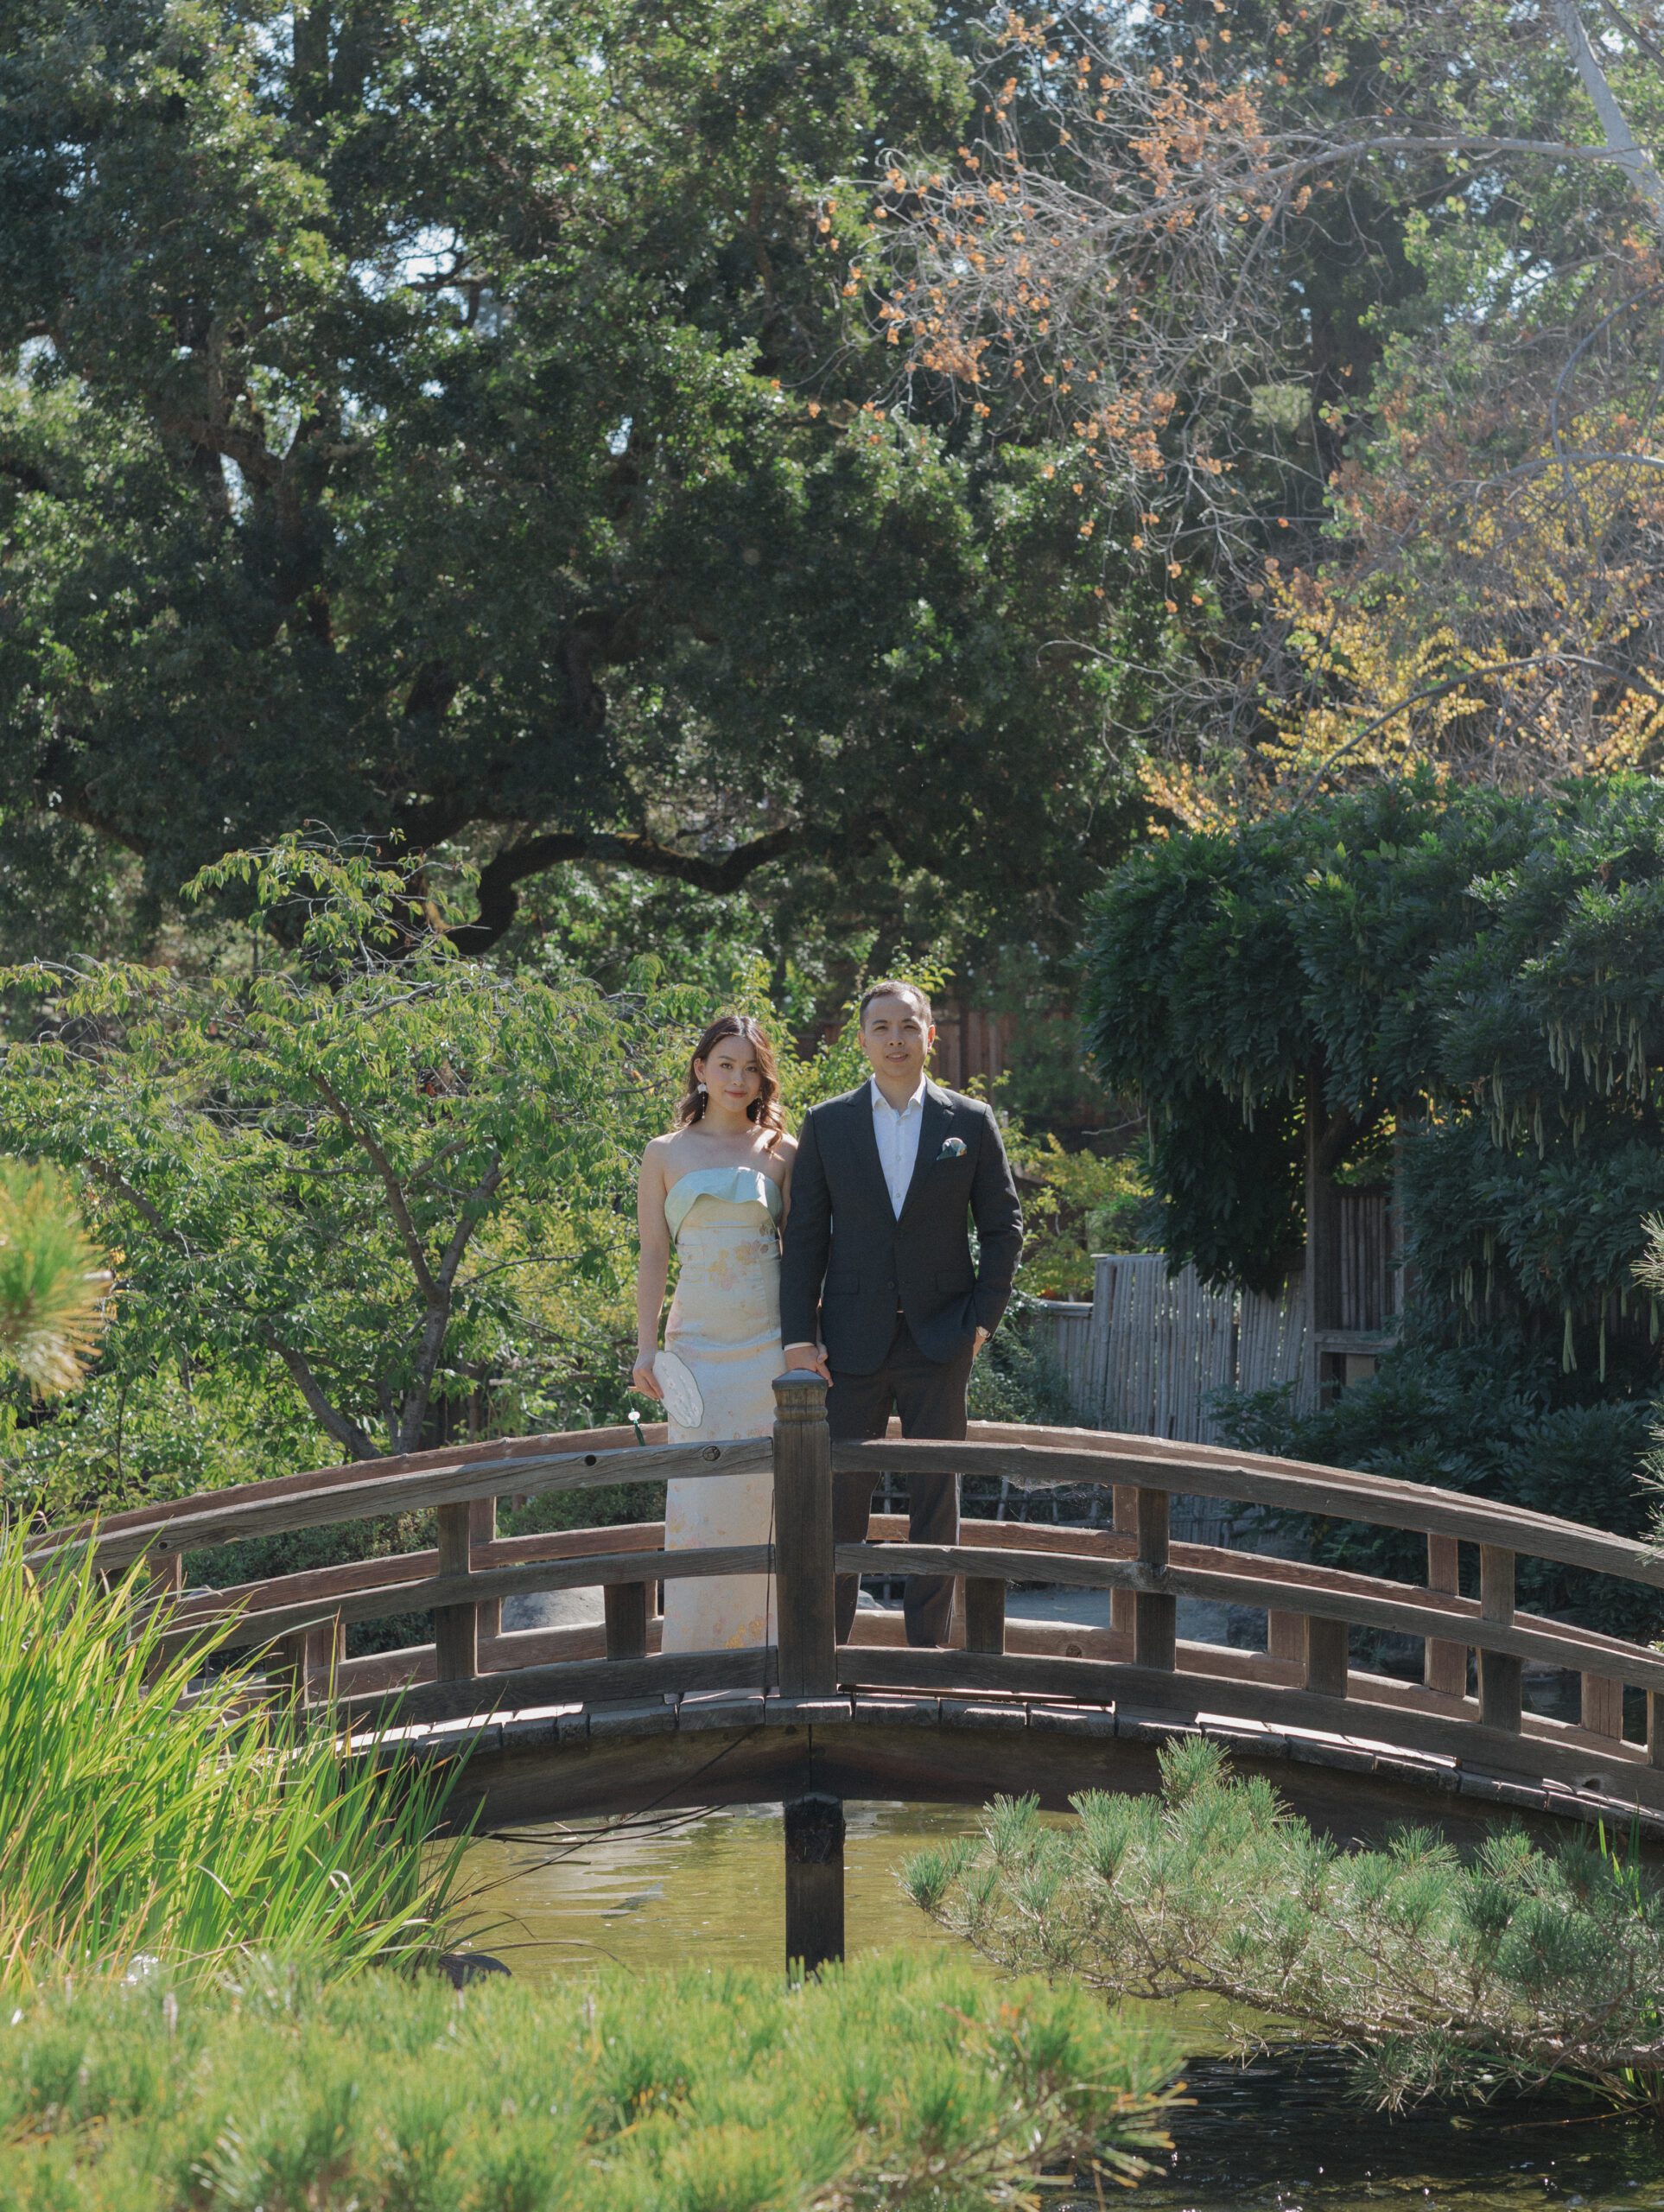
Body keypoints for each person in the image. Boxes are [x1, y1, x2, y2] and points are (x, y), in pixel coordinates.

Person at [778, 981, 1023, 1647]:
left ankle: (927, 1655)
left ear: (930, 1036)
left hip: (941, 1337)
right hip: (846, 1343)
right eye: (880, 1027)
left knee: (935, 1501)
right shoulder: (829, 1123)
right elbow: (804, 1237)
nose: (894, 1039)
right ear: (861, 1040)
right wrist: (799, 1338)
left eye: (907, 1027)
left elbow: (1004, 1228)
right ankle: (827, 1652)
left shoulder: (968, 1121)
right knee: (838, 1505)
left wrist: (980, 1322)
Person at [633, 1014, 794, 1651]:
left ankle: (772, 1658)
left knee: (768, 1499)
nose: (737, 1078)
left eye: (750, 1067)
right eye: (725, 1064)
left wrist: (806, 1345)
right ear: (701, 1069)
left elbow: (806, 1255)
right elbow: (652, 1254)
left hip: (768, 1346)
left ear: (763, 1077)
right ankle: (696, 1662)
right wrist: (646, 1347)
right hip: (696, 1350)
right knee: (700, 1502)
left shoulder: (784, 1152)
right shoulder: (664, 1153)